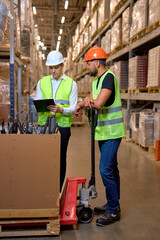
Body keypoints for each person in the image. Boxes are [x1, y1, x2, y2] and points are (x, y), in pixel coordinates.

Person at [75, 46, 125, 226]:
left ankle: (113, 211)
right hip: (103, 132)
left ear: (97, 62)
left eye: (88, 63)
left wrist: (90, 102)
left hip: (112, 133)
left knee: (105, 170)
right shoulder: (97, 80)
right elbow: (92, 97)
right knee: (113, 168)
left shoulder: (109, 78)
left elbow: (99, 102)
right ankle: (114, 203)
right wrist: (81, 104)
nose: (87, 67)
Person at [36, 50, 78, 191]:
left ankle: (58, 191)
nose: (53, 71)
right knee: (43, 159)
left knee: (60, 159)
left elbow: (73, 107)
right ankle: (45, 189)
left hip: (62, 127)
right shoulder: (42, 82)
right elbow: (37, 103)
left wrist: (61, 110)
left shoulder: (71, 84)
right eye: (51, 68)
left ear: (62, 65)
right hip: (44, 126)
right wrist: (42, 106)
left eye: (56, 67)